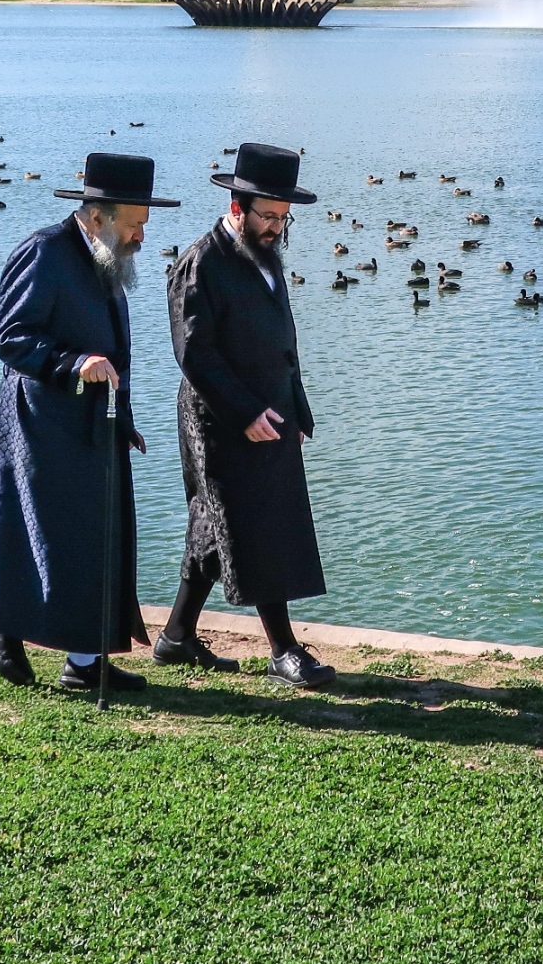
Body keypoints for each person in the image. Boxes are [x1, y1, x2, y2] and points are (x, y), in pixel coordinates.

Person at [0, 152, 177, 695]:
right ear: (96, 218)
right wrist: (71, 364)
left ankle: (85, 663)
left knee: (96, 540)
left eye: (142, 226)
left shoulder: (108, 258)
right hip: (42, 420)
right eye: (133, 225)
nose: (139, 237)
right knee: (41, 534)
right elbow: (9, 336)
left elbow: (114, 350)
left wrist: (124, 418)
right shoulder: (45, 252)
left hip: (95, 421)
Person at [156, 140, 335, 688]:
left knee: (217, 526)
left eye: (284, 218)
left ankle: (176, 637)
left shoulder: (267, 256)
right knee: (255, 527)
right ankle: (283, 650)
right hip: (221, 422)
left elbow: (284, 340)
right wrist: (244, 413)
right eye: (269, 216)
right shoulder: (200, 263)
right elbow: (195, 355)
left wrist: (296, 407)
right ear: (237, 207)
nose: (277, 227)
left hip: (272, 413)